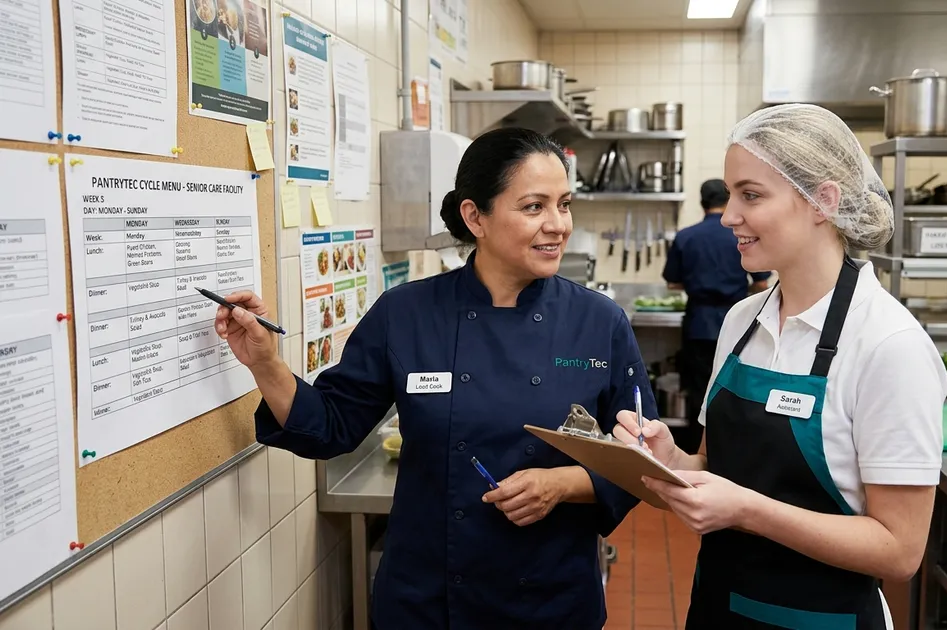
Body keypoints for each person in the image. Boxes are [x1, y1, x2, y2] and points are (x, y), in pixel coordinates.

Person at [213, 127, 656, 629]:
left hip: (549, 595)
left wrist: (563, 482)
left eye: (564, 204)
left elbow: (643, 452)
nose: (558, 224)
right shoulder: (407, 313)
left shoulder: (598, 323)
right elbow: (333, 424)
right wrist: (265, 363)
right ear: (475, 217)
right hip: (429, 596)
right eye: (534, 206)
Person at [613, 104, 947, 630]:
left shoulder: (889, 345)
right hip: (719, 608)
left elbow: (899, 550)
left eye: (751, 195)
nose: (728, 216)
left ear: (824, 200)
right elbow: (717, 471)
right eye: (729, 195)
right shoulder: (742, 321)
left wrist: (747, 511)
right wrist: (670, 460)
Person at [662, 179, 772, 452]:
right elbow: (761, 282)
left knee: (699, 390)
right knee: (735, 390)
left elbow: (672, 282)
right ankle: (732, 453)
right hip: (740, 327)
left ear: (701, 203)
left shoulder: (686, 236)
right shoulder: (739, 235)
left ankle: (695, 455)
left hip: (698, 323)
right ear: (726, 201)